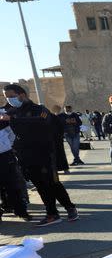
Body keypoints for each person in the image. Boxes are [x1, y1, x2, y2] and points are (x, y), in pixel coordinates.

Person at [2, 84, 78, 226]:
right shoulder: (12, 112)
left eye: (11, 96)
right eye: (7, 98)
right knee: (40, 185)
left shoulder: (39, 110)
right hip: (27, 157)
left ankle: (70, 207)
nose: (9, 100)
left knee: (52, 183)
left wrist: (12, 120)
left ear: (22, 95)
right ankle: (52, 214)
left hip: (45, 154)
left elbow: (41, 121)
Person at [0, 106, 30, 223]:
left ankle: (21, 211)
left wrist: (7, 145)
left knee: (12, 185)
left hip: (5, 155)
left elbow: (11, 133)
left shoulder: (2, 116)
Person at [50, 105, 70, 174]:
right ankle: (56, 169)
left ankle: (65, 169)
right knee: (54, 155)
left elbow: (62, 127)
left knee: (60, 154)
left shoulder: (57, 117)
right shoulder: (49, 117)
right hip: (52, 139)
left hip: (57, 139)